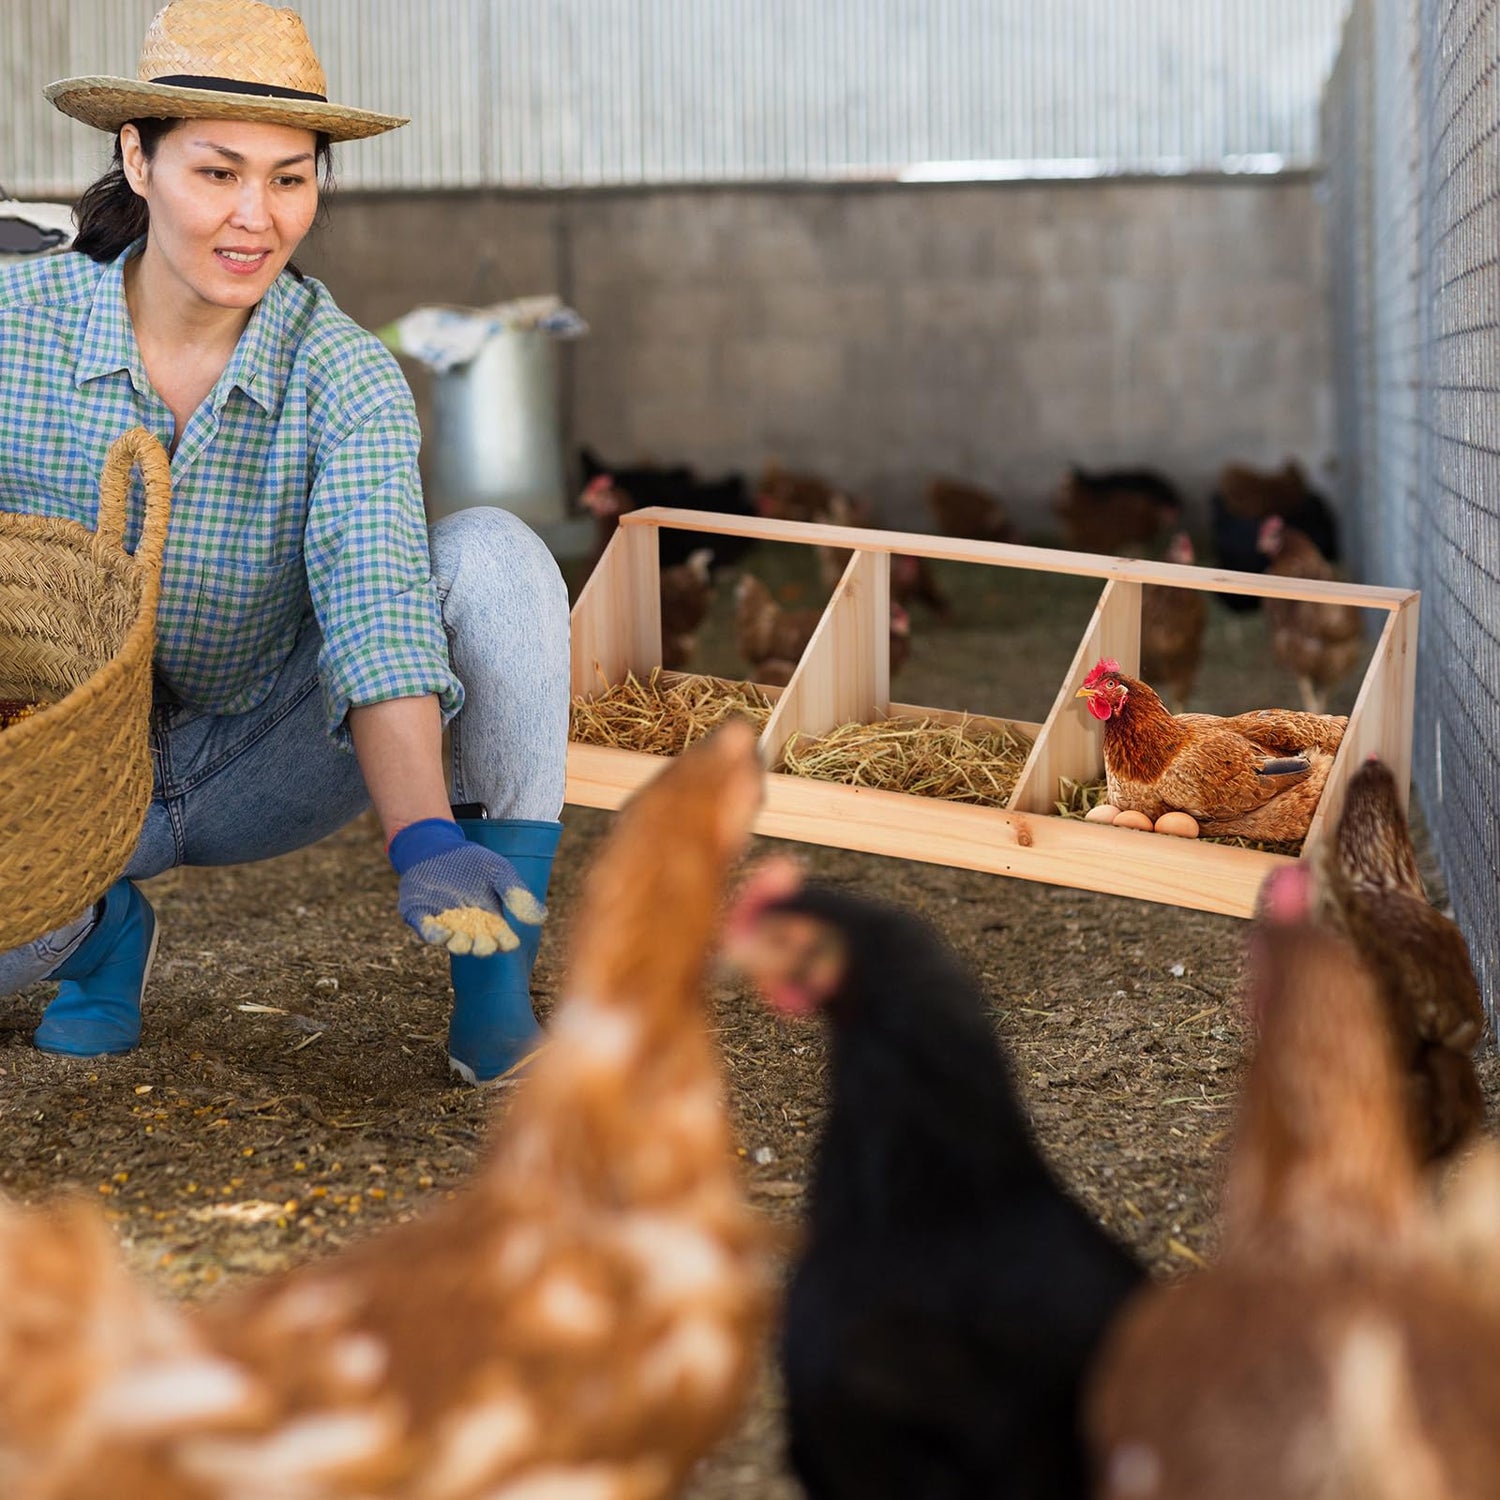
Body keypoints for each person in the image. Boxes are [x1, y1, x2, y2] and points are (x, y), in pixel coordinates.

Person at [0, 0, 571, 1085]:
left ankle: (494, 999)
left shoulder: (340, 373)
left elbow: (380, 613)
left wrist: (421, 837)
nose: (254, 217)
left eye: (290, 177)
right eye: (217, 172)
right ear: (138, 157)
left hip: (258, 756)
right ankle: (96, 931)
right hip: (50, 774)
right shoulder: (12, 327)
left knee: (492, 554)